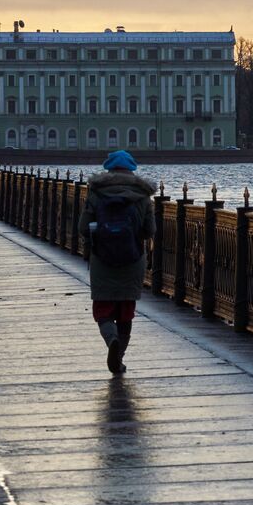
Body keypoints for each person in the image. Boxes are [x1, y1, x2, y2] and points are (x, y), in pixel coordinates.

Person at [78, 150, 156, 374]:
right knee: (126, 310)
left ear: (109, 169)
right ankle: (118, 356)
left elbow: (83, 228)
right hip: (132, 259)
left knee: (103, 309)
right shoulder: (142, 195)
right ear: (132, 169)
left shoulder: (96, 192)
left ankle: (111, 339)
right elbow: (150, 230)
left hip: (102, 259)